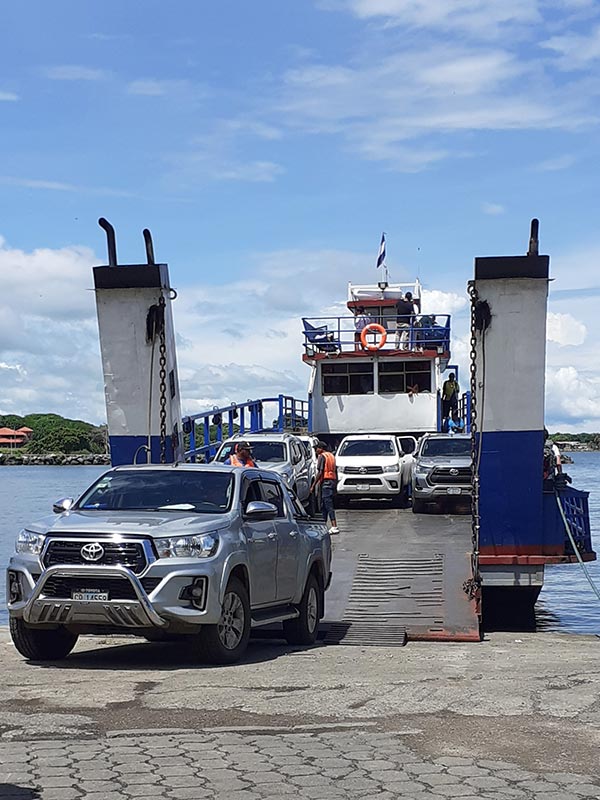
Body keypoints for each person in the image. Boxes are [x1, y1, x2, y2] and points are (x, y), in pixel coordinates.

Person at [310, 441, 339, 534]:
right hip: (331, 481)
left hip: (326, 482)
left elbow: (320, 472)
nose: (315, 451)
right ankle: (323, 525)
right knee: (324, 505)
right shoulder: (331, 455)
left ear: (321, 448)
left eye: (316, 449)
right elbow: (335, 470)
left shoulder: (322, 456)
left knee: (328, 505)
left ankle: (334, 526)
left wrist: (313, 485)